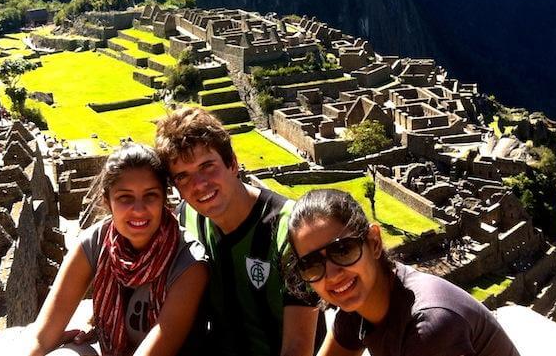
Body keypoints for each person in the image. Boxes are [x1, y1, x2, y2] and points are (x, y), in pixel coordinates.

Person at [154, 107, 319, 356]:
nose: (199, 185)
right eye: (183, 177)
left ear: (232, 162)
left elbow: (298, 348)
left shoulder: (292, 229)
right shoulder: (186, 219)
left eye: (207, 166)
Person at [22, 143, 209, 356]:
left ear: (164, 200)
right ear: (107, 201)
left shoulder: (188, 262)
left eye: (150, 195)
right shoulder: (96, 242)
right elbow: (42, 337)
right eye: (125, 197)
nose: (138, 210)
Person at [286, 189, 521, 356]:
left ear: (374, 242)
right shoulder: (357, 307)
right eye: (311, 264)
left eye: (342, 250)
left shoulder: (429, 326)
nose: (333, 275)